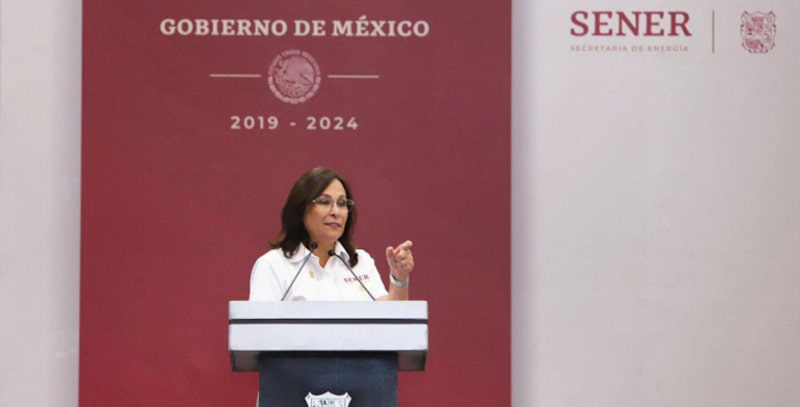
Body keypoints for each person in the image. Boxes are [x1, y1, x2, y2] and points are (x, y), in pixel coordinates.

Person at [249, 167, 414, 301]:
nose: (336, 212)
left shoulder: (360, 261)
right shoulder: (273, 265)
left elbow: (390, 322)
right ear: (301, 208)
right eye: (324, 201)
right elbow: (258, 334)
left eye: (342, 203)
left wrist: (399, 278)